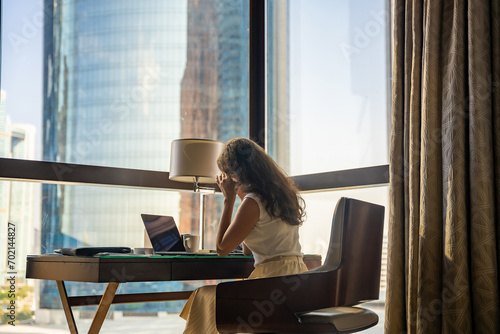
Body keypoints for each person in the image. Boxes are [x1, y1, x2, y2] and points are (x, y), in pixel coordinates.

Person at [180, 138, 308, 334]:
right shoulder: (283, 195)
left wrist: (229, 199)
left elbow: (222, 249)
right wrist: (241, 199)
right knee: (216, 296)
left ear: (237, 174)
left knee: (204, 295)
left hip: (271, 282)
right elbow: (248, 249)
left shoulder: (253, 202)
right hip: (297, 280)